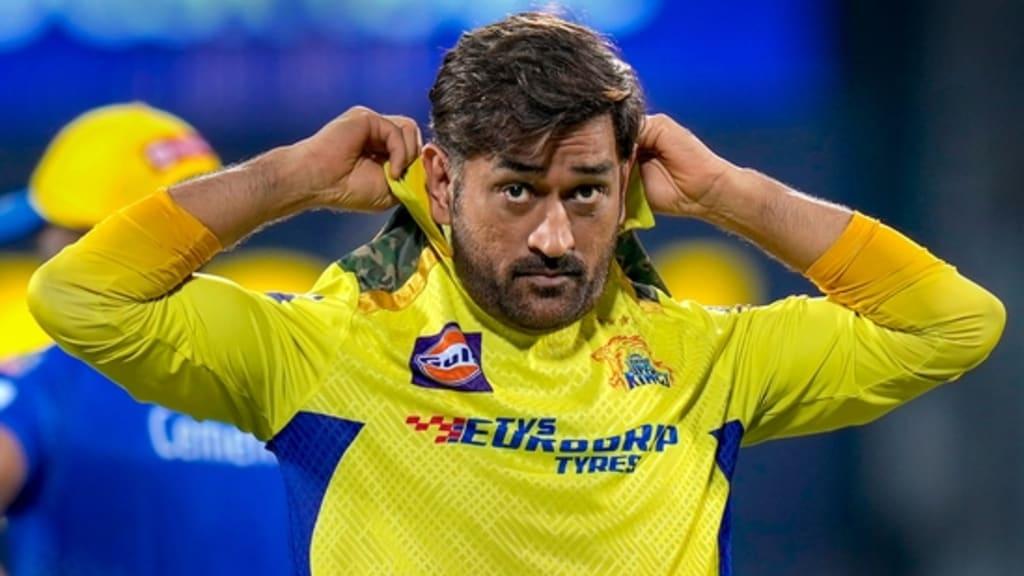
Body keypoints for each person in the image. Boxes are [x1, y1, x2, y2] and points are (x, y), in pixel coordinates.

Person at [27, 14, 1005, 575]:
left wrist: (733, 195)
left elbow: (953, 323)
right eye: (516, 192)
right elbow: (81, 298)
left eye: (584, 192)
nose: (553, 238)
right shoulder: (327, 346)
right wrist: (288, 178)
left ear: (628, 186)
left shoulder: (708, 359)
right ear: (442, 183)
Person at [0, 104, 293, 575]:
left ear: (84, 248)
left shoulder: (47, 387)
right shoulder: (300, 375)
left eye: (48, 234)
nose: (40, 252)